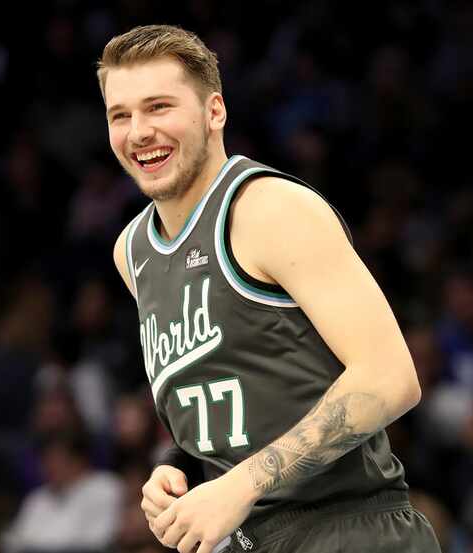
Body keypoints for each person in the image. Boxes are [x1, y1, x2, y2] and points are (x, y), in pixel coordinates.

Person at [99, 24, 440, 553]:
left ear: (215, 112)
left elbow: (391, 378)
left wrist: (243, 485)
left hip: (349, 530)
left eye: (159, 107)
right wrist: (174, 470)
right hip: (244, 542)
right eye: (121, 114)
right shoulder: (132, 252)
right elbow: (223, 409)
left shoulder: (268, 209)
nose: (139, 131)